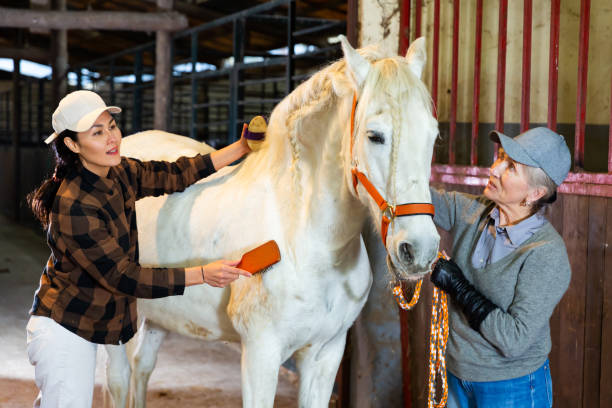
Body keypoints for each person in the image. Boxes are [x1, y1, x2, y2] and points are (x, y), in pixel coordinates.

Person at [26, 90, 253, 407]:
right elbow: (125, 278)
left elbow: (174, 174)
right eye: (97, 132)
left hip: (87, 324)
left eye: (112, 126)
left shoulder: (117, 173)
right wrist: (202, 274)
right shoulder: (74, 205)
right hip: (65, 332)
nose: (111, 138)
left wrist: (239, 149)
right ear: (72, 145)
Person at [429, 127, 572, 408]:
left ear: (535, 193)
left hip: (511, 386)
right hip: (456, 374)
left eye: (511, 167)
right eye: (500, 158)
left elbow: (515, 339)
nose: (493, 169)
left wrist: (459, 288)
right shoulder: (472, 211)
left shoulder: (547, 254)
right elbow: (419, 199)